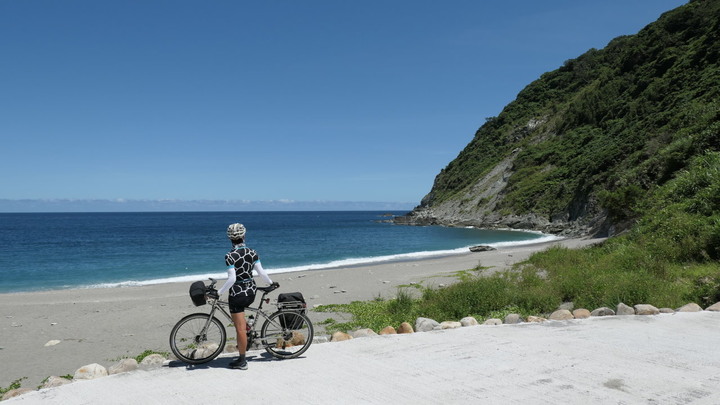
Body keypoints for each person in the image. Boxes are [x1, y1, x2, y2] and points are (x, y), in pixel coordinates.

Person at [215, 223, 277, 370]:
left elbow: (232, 279)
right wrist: (271, 282)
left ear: (229, 238)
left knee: (240, 329)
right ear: (244, 236)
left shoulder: (230, 256)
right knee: (243, 324)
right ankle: (248, 329)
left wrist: (219, 292)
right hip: (251, 292)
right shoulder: (252, 252)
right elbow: (261, 272)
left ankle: (242, 361)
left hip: (237, 294)